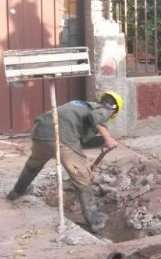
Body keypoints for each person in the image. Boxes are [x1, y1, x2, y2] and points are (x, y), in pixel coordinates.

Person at [6, 91, 123, 233]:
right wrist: (108, 138)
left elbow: (79, 140)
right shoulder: (104, 109)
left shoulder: (79, 105)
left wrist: (83, 160)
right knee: (83, 178)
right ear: (114, 109)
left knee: (33, 165)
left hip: (39, 134)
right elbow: (95, 118)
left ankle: (17, 192)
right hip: (61, 138)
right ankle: (95, 221)